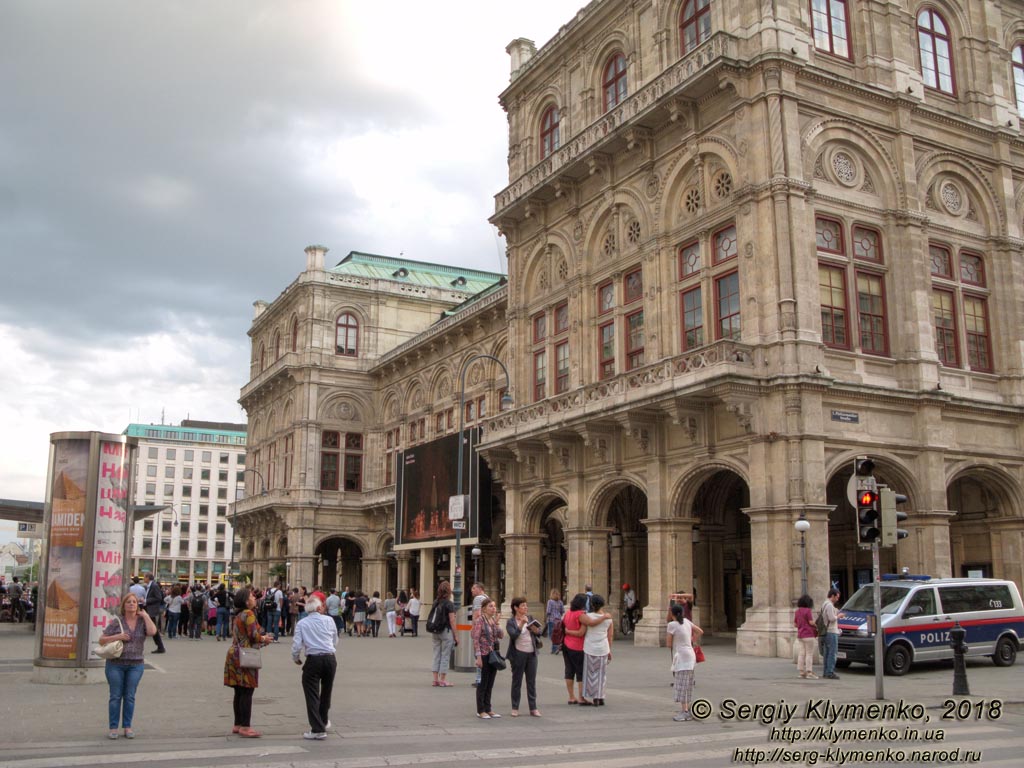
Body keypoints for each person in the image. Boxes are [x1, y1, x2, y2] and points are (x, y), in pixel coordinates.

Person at [98, 592, 157, 739]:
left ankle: (127, 726)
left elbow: (152, 632)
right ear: (123, 605)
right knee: (115, 696)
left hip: (135, 665)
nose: (132, 604)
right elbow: (102, 640)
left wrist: (146, 616)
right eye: (129, 602)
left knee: (130, 696)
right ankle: (113, 728)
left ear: (138, 605)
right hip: (115, 665)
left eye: (134, 602)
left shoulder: (142, 621)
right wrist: (118, 636)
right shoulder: (117, 621)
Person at [224, 587, 273, 738]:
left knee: (238, 691)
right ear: (246, 600)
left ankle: (237, 724)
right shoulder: (249, 614)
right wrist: (264, 639)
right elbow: (253, 636)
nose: (254, 598)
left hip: (234, 653)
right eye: (252, 596)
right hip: (246, 655)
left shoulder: (238, 614)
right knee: (247, 690)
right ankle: (245, 726)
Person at [291, 594, 339, 740]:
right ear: (319, 608)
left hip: (313, 659)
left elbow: (296, 645)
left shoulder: (302, 623)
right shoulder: (329, 620)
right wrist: (329, 648)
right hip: (330, 658)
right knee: (326, 691)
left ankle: (317, 729)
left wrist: (296, 658)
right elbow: (335, 639)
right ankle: (323, 720)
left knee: (312, 693)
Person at [505, 596, 542, 717]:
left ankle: (533, 707)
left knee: (531, 681)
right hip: (518, 654)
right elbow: (514, 635)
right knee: (517, 681)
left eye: (526, 605)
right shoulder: (511, 622)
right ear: (516, 608)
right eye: (523, 606)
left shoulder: (530, 618)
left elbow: (540, 632)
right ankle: (515, 707)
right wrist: (521, 624)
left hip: (532, 653)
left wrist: (536, 630)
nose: (526, 607)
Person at [667, 602, 703, 721]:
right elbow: (700, 631)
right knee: (687, 684)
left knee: (681, 684)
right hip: (690, 654)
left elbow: (668, 644)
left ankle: (685, 711)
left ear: (672, 614)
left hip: (682, 656)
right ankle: (687, 709)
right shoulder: (687, 621)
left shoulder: (672, 625)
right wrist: (692, 639)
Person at [470, 597, 504, 719]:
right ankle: (481, 710)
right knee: (483, 683)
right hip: (483, 654)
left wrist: (497, 623)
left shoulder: (492, 621)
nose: (493, 608)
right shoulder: (480, 620)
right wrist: (478, 657)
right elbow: (475, 638)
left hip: (493, 655)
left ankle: (488, 708)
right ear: (484, 609)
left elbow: (501, 635)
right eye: (490, 606)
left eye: (494, 606)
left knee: (490, 683)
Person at [578, 593, 613, 706]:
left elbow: (583, 631)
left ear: (592, 604)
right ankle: (600, 696)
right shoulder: (608, 619)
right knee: (601, 674)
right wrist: (609, 650)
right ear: (602, 605)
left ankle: (593, 696)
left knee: (590, 674)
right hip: (603, 648)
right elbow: (610, 636)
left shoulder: (588, 617)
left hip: (589, 647)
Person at [428, 581, 458, 687]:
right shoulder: (449, 604)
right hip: (446, 631)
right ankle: (443, 680)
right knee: (445, 655)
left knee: (436, 654)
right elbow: (452, 620)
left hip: (435, 630)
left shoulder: (436, 601)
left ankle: (435, 679)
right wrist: (456, 635)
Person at [561, 593, 588, 704]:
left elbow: (564, 627)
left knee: (569, 670)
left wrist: (567, 632)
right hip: (577, 646)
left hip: (566, 645)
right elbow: (581, 633)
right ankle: (581, 697)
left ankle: (571, 696)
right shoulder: (581, 615)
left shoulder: (568, 613)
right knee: (580, 672)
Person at [794, 594, 818, 679]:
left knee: (801, 654)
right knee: (809, 654)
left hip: (800, 635)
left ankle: (801, 672)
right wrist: (816, 625)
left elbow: (795, 624)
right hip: (808, 634)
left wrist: (801, 625)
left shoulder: (797, 612)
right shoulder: (808, 611)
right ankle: (809, 672)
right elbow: (811, 622)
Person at [469, 582, 489, 686]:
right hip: (488, 628)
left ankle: (479, 679)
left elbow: (476, 614)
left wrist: (473, 628)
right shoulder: (487, 598)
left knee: (478, 653)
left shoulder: (478, 599)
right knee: (485, 652)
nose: (471, 590)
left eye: (473, 588)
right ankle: (485, 677)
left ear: (479, 589)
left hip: (480, 629)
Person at [142, 573, 166, 654]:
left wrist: (146, 601)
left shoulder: (154, 586)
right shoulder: (150, 586)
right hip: (149, 609)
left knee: (153, 629)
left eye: (144, 577)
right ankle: (160, 646)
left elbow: (158, 597)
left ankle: (160, 646)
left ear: (148, 577)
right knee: (152, 628)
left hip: (152, 610)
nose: (143, 578)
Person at [821, 588, 841, 679]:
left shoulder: (824, 604)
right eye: (836, 597)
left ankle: (826, 671)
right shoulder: (829, 605)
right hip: (831, 631)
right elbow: (832, 618)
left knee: (827, 652)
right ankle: (830, 672)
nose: (837, 599)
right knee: (832, 652)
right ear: (832, 596)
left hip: (826, 631)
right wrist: (839, 616)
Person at [545, 589, 564, 654]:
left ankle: (556, 647)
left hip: (551, 620)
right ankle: (554, 648)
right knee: (557, 634)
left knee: (551, 635)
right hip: (558, 620)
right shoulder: (560, 602)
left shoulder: (550, 601)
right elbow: (562, 611)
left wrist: (546, 617)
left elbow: (548, 611)